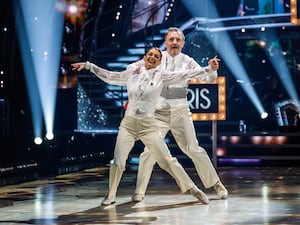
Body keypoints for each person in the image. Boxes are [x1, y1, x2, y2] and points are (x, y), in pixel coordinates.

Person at [71, 47, 218, 206]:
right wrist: (89, 66)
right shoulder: (132, 73)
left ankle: (193, 189)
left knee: (168, 160)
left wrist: (208, 69)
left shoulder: (162, 76)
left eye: (156, 56)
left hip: (148, 126)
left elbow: (185, 74)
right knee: (118, 161)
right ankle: (111, 194)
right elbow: (110, 76)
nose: (153, 57)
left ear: (160, 61)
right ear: (145, 56)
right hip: (128, 125)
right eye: (150, 55)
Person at [131, 27, 228, 203]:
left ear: (183, 43)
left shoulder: (188, 61)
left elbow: (208, 79)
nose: (174, 42)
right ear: (166, 42)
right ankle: (139, 191)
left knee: (194, 148)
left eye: (177, 40)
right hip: (158, 114)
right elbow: (138, 68)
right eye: (171, 39)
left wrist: (212, 69)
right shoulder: (157, 57)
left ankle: (216, 184)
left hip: (180, 112)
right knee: (148, 152)